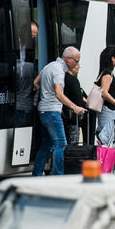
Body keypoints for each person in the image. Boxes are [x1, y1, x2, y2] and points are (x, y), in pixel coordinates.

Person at [33, 46, 85, 176]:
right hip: (52, 112)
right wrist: (75, 107)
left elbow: (35, 83)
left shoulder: (49, 66)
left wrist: (45, 93)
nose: (77, 64)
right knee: (61, 144)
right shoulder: (59, 72)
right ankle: (58, 175)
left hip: (43, 111)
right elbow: (58, 94)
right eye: (76, 61)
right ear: (68, 59)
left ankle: (36, 174)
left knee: (46, 145)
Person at [63, 56, 88, 146]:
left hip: (65, 115)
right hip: (72, 117)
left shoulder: (64, 77)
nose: (79, 67)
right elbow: (78, 98)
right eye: (77, 65)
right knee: (73, 142)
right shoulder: (73, 80)